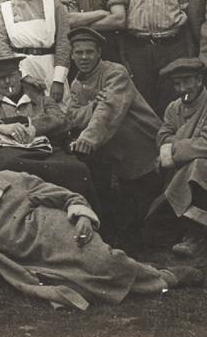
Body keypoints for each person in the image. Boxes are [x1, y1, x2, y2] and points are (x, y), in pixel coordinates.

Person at [0, 137, 204, 311]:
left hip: (54, 234)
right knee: (80, 285)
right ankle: (153, 274)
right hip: (22, 260)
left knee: (104, 263)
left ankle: (167, 278)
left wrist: (82, 217)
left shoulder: (10, 178)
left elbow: (67, 196)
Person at [63, 27, 162, 234]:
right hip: (115, 150)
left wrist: (88, 137)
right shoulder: (76, 84)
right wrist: (92, 106)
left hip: (142, 146)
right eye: (79, 52)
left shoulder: (116, 72)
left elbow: (109, 108)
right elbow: (72, 117)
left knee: (150, 216)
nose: (84, 57)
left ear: (99, 52)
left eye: (89, 52)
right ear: (72, 55)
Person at [0, 56, 97, 203]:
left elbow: (61, 119)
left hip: (45, 151)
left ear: (19, 75)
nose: (7, 82)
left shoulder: (38, 96)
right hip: (9, 154)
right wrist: (2, 127)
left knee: (78, 169)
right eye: (1, 78)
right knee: (9, 167)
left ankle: (81, 210)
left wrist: (34, 127)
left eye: (11, 76)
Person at [148, 58, 207, 258]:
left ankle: (196, 234)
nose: (182, 88)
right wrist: (188, 143)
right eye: (177, 83)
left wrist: (172, 149)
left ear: (199, 80)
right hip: (181, 172)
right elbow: (162, 137)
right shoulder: (173, 108)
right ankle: (174, 224)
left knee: (200, 165)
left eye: (187, 81)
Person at [0, 0, 70, 102]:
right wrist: (24, 76)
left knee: (56, 108)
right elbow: (3, 47)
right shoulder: (3, 9)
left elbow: (63, 43)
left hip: (50, 68)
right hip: (20, 71)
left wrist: (58, 80)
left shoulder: (53, 3)